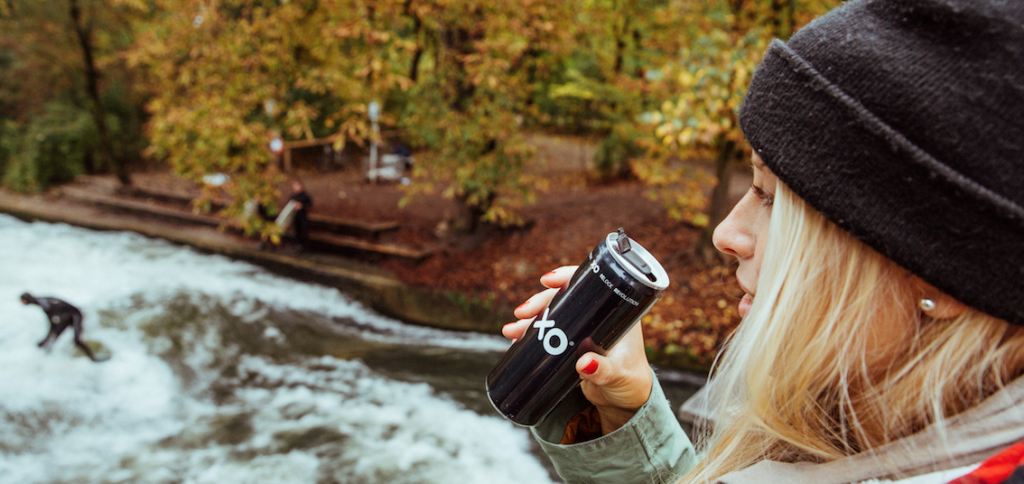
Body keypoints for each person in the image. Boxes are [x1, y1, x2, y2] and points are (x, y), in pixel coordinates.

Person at [502, 0, 1024, 483]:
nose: (726, 235)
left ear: (943, 278)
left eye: (772, 197)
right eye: (753, 185)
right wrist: (625, 421)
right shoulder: (858, 434)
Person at [21, 293, 107, 362]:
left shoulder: (44, 303)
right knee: (51, 341)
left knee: (76, 340)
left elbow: (52, 323)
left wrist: (46, 338)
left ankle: (93, 358)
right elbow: (54, 322)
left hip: (75, 315)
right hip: (66, 317)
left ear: (25, 301)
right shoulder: (43, 301)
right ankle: (47, 362)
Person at [287, 180, 312, 251]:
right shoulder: (293, 196)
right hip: (295, 216)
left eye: (297, 185)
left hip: (302, 216)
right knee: (296, 230)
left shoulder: (305, 195)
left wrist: (302, 206)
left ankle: (303, 245)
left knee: (303, 230)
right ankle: (297, 244)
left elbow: (309, 205)